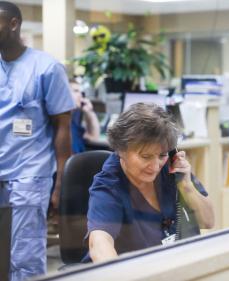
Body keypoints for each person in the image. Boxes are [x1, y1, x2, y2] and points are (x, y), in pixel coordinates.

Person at [0, 2, 75, 280]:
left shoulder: (46, 68)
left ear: (14, 24)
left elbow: (63, 127)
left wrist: (61, 182)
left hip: (29, 175)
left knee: (25, 257)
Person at [86, 103, 214, 263]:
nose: (155, 166)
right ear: (121, 150)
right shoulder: (109, 185)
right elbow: (99, 245)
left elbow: (208, 221)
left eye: (162, 155)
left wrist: (186, 185)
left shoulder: (173, 168)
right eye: (145, 157)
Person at [69, 78, 100, 153]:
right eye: (76, 91)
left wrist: (89, 112)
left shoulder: (73, 124)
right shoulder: (62, 124)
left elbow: (94, 137)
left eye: (81, 92)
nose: (81, 95)